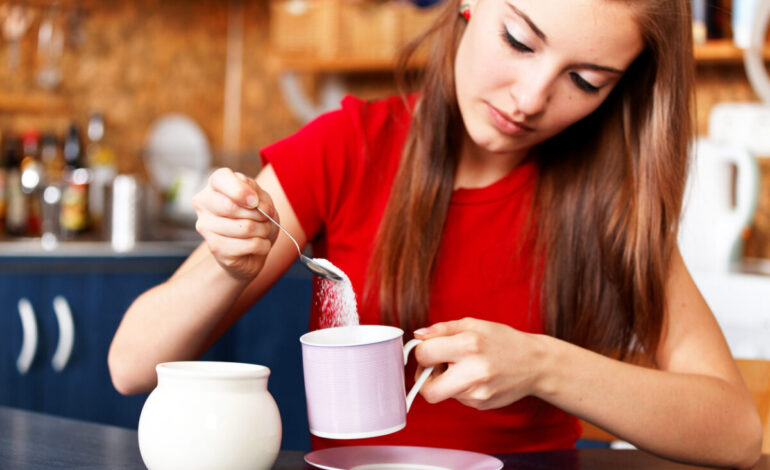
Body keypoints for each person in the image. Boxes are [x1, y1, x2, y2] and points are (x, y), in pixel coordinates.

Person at [108, 0, 762, 467]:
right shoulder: (351, 149)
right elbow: (131, 364)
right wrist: (229, 262)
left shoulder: (610, 201)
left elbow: (737, 434)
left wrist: (543, 364)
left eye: (585, 80)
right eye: (520, 40)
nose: (531, 97)